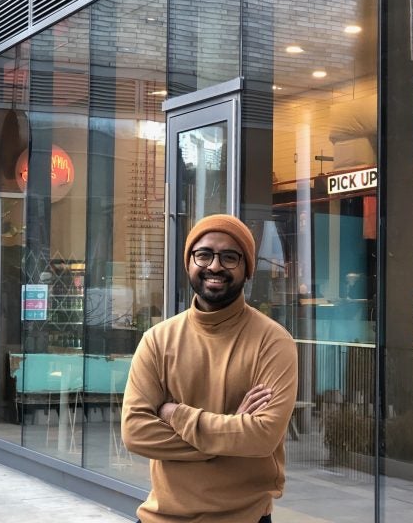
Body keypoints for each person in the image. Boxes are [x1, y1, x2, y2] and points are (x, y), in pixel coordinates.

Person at [122, 214, 298, 523]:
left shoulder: (273, 342)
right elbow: (136, 432)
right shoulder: (157, 340)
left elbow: (262, 437)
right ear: (188, 262)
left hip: (244, 517)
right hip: (161, 516)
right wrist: (230, 431)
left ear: (247, 269)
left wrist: (175, 414)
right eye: (203, 254)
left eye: (229, 257)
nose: (215, 266)